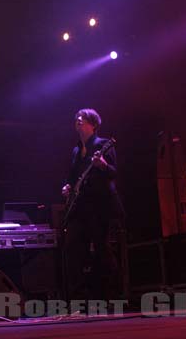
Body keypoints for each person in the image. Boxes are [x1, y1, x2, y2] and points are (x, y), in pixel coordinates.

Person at [61, 109, 123, 304]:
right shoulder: (76, 150)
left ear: (93, 125)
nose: (78, 120)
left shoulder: (104, 144)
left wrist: (103, 165)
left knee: (101, 250)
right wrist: (67, 187)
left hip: (99, 206)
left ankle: (108, 296)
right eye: (76, 118)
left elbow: (114, 173)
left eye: (83, 119)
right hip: (80, 207)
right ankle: (78, 299)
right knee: (72, 247)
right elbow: (73, 177)